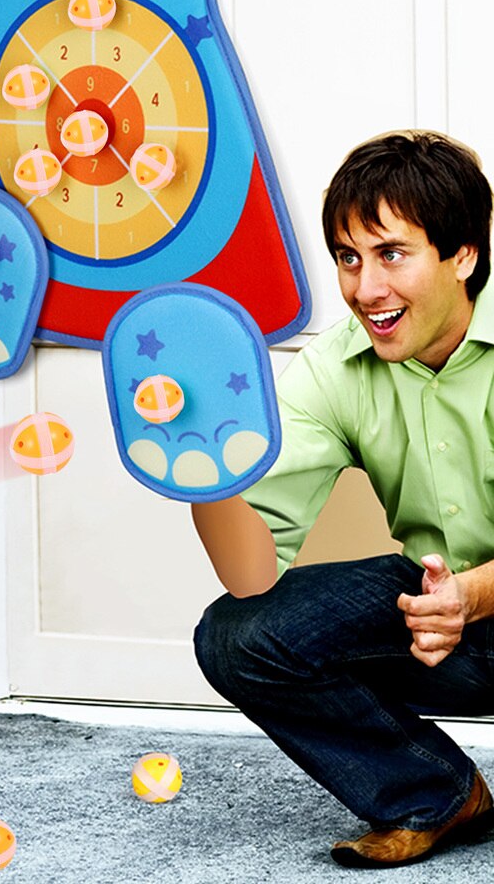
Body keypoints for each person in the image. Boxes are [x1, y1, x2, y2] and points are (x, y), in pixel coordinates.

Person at [192, 130, 494, 869]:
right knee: (239, 635)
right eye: (348, 258)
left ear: (463, 255)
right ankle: (437, 794)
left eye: (391, 254)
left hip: (468, 603)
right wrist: (203, 468)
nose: (365, 288)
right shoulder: (334, 367)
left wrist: (473, 596)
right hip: (436, 613)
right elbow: (250, 578)